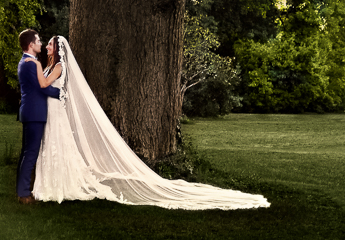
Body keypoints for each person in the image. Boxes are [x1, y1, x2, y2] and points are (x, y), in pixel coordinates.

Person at [30, 35, 269, 209]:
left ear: (58, 49)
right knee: (53, 145)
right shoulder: (51, 65)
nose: (47, 47)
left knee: (58, 144)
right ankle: (52, 182)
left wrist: (36, 67)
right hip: (51, 111)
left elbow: (44, 84)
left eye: (50, 44)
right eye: (47, 44)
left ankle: (61, 184)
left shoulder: (58, 66)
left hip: (56, 113)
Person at [16, 29, 61, 204]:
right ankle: (24, 194)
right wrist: (63, 94)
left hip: (30, 112)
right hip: (34, 113)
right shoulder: (29, 64)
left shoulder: (28, 62)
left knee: (26, 152)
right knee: (30, 153)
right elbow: (43, 87)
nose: (41, 43)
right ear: (30, 45)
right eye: (38, 41)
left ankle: (21, 190)